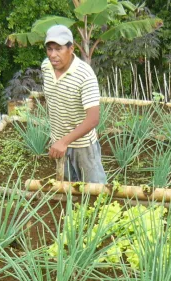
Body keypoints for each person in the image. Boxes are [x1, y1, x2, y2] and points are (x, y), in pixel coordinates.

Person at [41, 25, 106, 184]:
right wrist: (59, 141)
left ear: (71, 49)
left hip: (83, 147)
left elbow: (93, 119)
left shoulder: (84, 74)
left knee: (95, 190)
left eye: (58, 49)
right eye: (49, 49)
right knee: (69, 188)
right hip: (58, 143)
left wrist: (64, 142)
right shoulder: (46, 67)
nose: (53, 55)